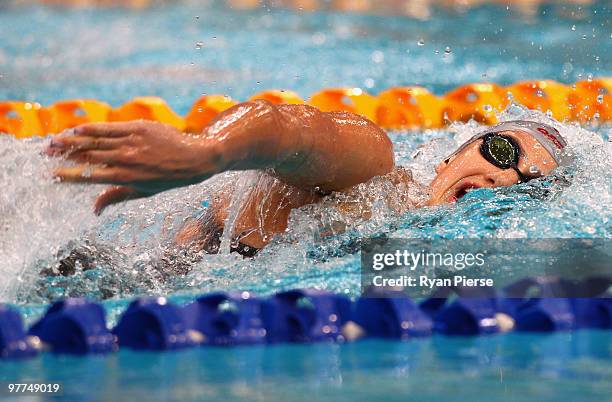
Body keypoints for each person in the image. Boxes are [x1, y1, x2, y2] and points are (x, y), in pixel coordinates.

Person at [46, 100, 571, 257]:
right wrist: (203, 153)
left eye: (529, 185)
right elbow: (290, 128)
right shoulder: (374, 176)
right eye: (504, 150)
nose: (507, 178)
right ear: (448, 159)